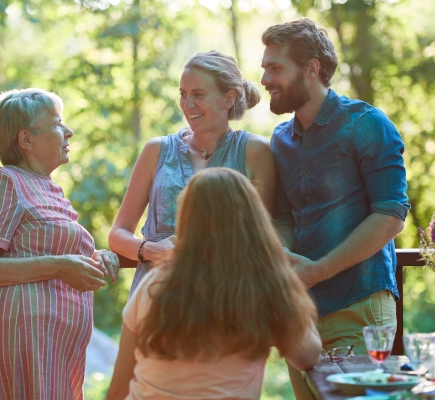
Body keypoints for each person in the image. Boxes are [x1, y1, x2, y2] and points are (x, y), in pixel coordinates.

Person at [260, 18, 410, 397]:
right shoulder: (280, 140)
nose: (264, 80)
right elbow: (283, 218)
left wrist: (319, 270)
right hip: (301, 316)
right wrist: (281, 260)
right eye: (264, 68)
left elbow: (391, 215)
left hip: (358, 308)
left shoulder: (367, 124)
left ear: (311, 69)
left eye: (275, 68)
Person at [106, 167, 321, 400]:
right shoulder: (265, 287)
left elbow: (118, 390)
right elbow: (308, 357)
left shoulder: (154, 285)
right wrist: (284, 280)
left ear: (187, 219)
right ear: (252, 220)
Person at [0, 88, 119, 400]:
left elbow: (49, 249)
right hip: (23, 339)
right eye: (57, 124)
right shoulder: (6, 181)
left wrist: (97, 256)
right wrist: (58, 266)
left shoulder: (47, 189)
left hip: (53, 344)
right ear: (26, 139)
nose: (68, 131)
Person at [108, 50, 276, 294]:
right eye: (183, 95)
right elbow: (117, 234)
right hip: (156, 296)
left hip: (228, 298)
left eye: (199, 95)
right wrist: (149, 249)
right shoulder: (157, 150)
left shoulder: (254, 151)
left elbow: (264, 236)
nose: (187, 105)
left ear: (229, 98)